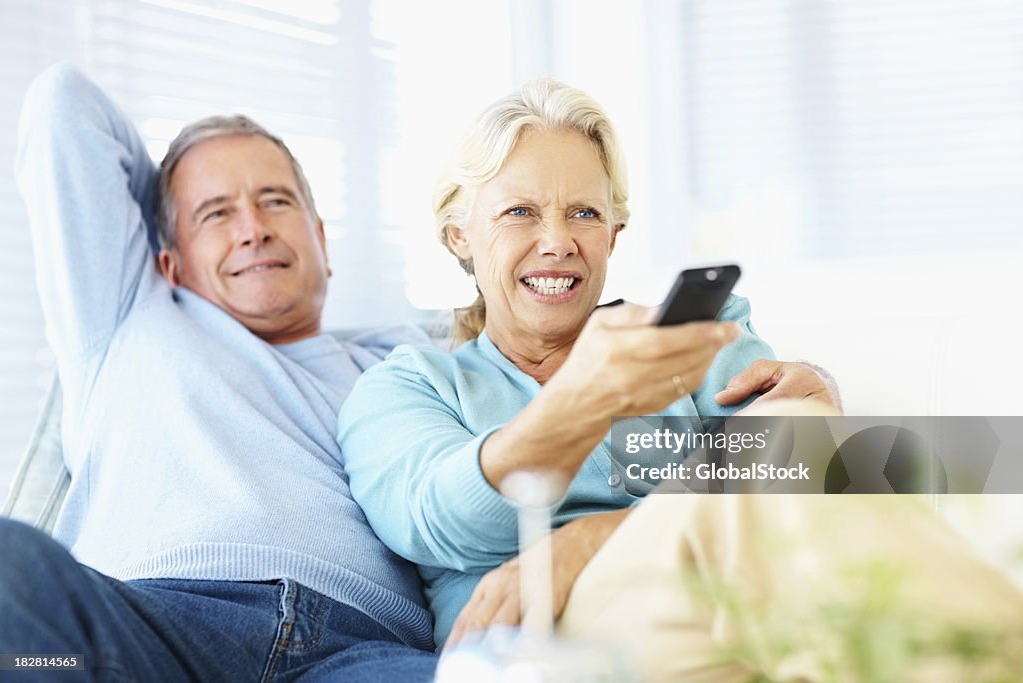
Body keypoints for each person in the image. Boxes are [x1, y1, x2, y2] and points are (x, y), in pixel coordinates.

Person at [335, 77, 844, 653]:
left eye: (582, 213)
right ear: (461, 236)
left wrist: (595, 537)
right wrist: (587, 397)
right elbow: (442, 520)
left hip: (737, 600)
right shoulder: (410, 388)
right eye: (520, 211)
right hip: (553, 644)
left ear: (612, 236)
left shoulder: (692, 339)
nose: (557, 242)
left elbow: (799, 487)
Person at [0, 64, 437, 681]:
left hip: (362, 648)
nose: (253, 230)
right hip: (152, 631)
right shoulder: (127, 315)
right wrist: (173, 202)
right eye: (217, 214)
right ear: (170, 264)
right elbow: (62, 105)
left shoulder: (405, 364)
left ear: (321, 240)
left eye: (275, 202)